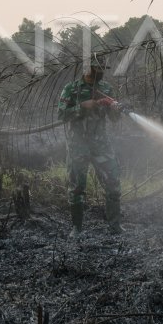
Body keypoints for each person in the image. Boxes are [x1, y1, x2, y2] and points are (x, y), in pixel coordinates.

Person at [58, 59, 125, 234]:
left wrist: (116, 110)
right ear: (88, 68)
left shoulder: (106, 89)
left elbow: (113, 118)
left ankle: (115, 226)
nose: (101, 71)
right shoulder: (71, 89)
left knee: (113, 183)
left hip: (101, 145)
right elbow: (61, 115)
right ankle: (76, 228)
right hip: (77, 145)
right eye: (98, 68)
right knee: (77, 187)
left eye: (103, 68)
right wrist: (81, 107)